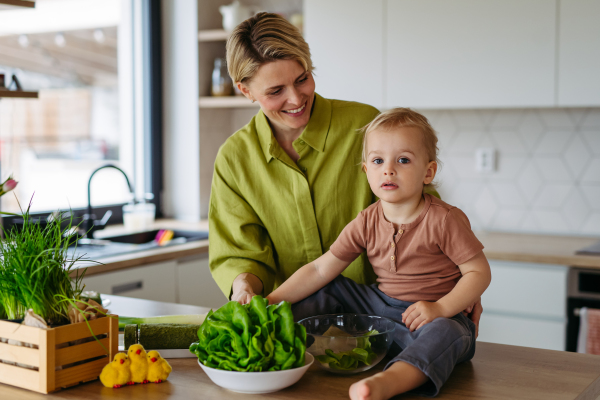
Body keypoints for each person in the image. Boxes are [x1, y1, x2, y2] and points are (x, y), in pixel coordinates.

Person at [208, 12, 483, 330]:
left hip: (388, 319)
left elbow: (422, 213)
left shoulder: (362, 125)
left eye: (302, 78)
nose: (296, 99)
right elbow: (239, 253)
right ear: (245, 91)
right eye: (275, 91)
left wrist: (458, 287)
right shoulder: (235, 159)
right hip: (293, 327)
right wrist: (243, 285)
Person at [267, 108, 492, 400]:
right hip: (380, 311)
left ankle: (389, 382)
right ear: (366, 171)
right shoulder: (366, 220)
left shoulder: (445, 219)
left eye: (403, 160)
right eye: (377, 161)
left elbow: (479, 272)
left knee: (448, 333)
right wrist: (269, 301)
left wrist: (442, 308)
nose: (388, 169)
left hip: (433, 317)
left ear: (428, 172)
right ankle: (272, 341)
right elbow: (321, 269)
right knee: (330, 285)